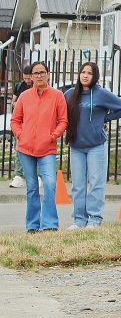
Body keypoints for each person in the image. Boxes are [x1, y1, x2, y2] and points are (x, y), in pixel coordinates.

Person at [64, 62, 121, 229]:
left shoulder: (101, 94)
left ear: (95, 77)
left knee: (95, 183)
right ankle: (79, 219)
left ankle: (94, 219)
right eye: (83, 72)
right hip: (76, 146)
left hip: (96, 146)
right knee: (77, 185)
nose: (85, 75)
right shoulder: (70, 94)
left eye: (90, 73)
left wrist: (104, 119)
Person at [10, 61, 67, 233]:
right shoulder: (24, 97)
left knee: (50, 184)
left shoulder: (57, 96)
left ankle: (49, 223)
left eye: (42, 72)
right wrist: (21, 135)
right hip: (25, 149)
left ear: (48, 74)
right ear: (31, 77)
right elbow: (15, 120)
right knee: (32, 187)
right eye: (36, 73)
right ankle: (33, 225)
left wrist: (53, 136)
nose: (39, 76)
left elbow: (63, 121)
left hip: (47, 149)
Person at [7, 64, 33, 188]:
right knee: (19, 149)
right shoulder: (20, 86)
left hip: (33, 122)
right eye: (25, 78)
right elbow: (14, 102)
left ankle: (36, 176)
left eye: (29, 78)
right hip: (21, 123)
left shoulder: (36, 86)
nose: (27, 81)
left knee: (36, 149)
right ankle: (18, 175)